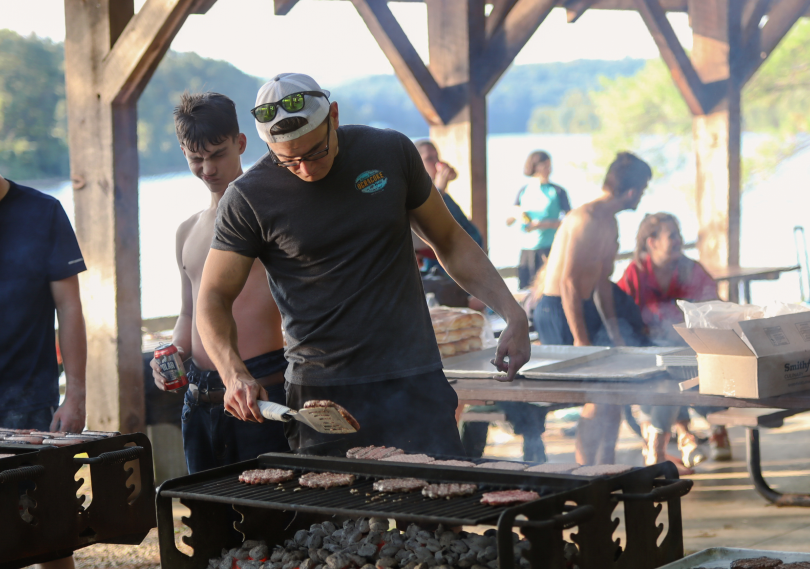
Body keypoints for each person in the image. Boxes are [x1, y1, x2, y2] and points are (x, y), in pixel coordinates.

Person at [195, 73, 530, 456]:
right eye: (289, 161)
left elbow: (450, 241)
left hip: (413, 376)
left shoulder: (388, 152)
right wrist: (233, 372)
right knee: (335, 514)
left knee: (436, 507)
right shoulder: (248, 197)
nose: (305, 169)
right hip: (321, 391)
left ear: (333, 116)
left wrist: (512, 312)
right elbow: (214, 296)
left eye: (315, 152)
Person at [148, 92, 291, 474]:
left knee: (271, 522)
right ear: (184, 153)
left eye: (217, 155)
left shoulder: (271, 214)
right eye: (197, 158)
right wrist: (171, 355)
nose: (207, 168)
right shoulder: (187, 230)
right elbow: (189, 312)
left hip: (262, 392)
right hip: (199, 398)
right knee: (208, 521)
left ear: (241, 143)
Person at [0, 112, 86, 569]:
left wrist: (74, 394)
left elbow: (70, 309)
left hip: (32, 408)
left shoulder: (42, 212)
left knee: (48, 537)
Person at [534, 151, 651, 466]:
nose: (642, 196)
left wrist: (616, 334)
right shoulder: (584, 218)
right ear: (631, 190)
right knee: (597, 396)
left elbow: (601, 283)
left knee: (614, 392)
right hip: (558, 309)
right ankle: (586, 472)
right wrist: (581, 340)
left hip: (583, 306)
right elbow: (570, 282)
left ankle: (607, 466)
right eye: (643, 189)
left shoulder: (608, 221)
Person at [617, 213, 729, 468]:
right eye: (672, 236)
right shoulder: (636, 273)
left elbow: (716, 307)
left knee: (676, 375)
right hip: (650, 351)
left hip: (692, 348)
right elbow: (621, 314)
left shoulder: (690, 269)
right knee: (665, 377)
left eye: (678, 234)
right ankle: (700, 434)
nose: (679, 240)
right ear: (651, 242)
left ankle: (660, 446)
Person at [507, 151, 571, 290]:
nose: (549, 170)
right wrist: (517, 214)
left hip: (550, 248)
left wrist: (543, 225)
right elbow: (508, 221)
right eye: (545, 166)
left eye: (550, 166)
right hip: (528, 250)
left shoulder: (558, 191)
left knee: (549, 288)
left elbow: (570, 221)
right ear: (535, 167)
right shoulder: (524, 190)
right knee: (526, 290)